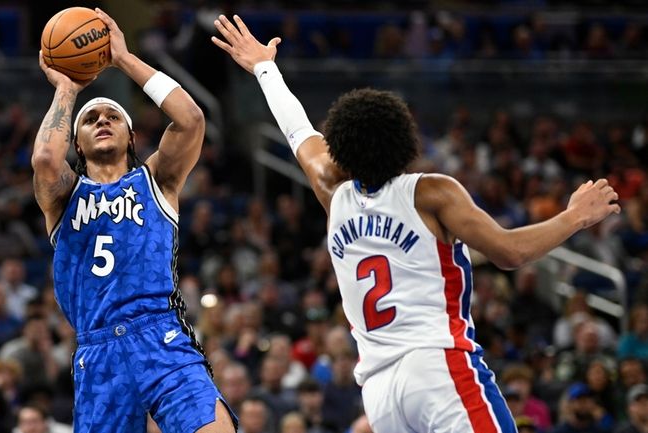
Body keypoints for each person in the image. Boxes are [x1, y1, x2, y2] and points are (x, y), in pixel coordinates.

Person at [212, 14, 621, 433]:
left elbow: (297, 128)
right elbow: (509, 251)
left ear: (340, 145)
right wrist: (575, 216)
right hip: (437, 366)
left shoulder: (330, 192)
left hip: (379, 390)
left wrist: (265, 68)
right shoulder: (430, 192)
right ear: (404, 140)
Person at [31, 8, 235, 433]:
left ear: (131, 136)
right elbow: (46, 158)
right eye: (91, 120)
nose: (102, 121)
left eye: (112, 118)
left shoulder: (157, 178)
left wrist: (123, 58)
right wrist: (67, 90)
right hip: (98, 347)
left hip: (159, 333)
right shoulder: (65, 196)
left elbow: (191, 119)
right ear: (79, 145)